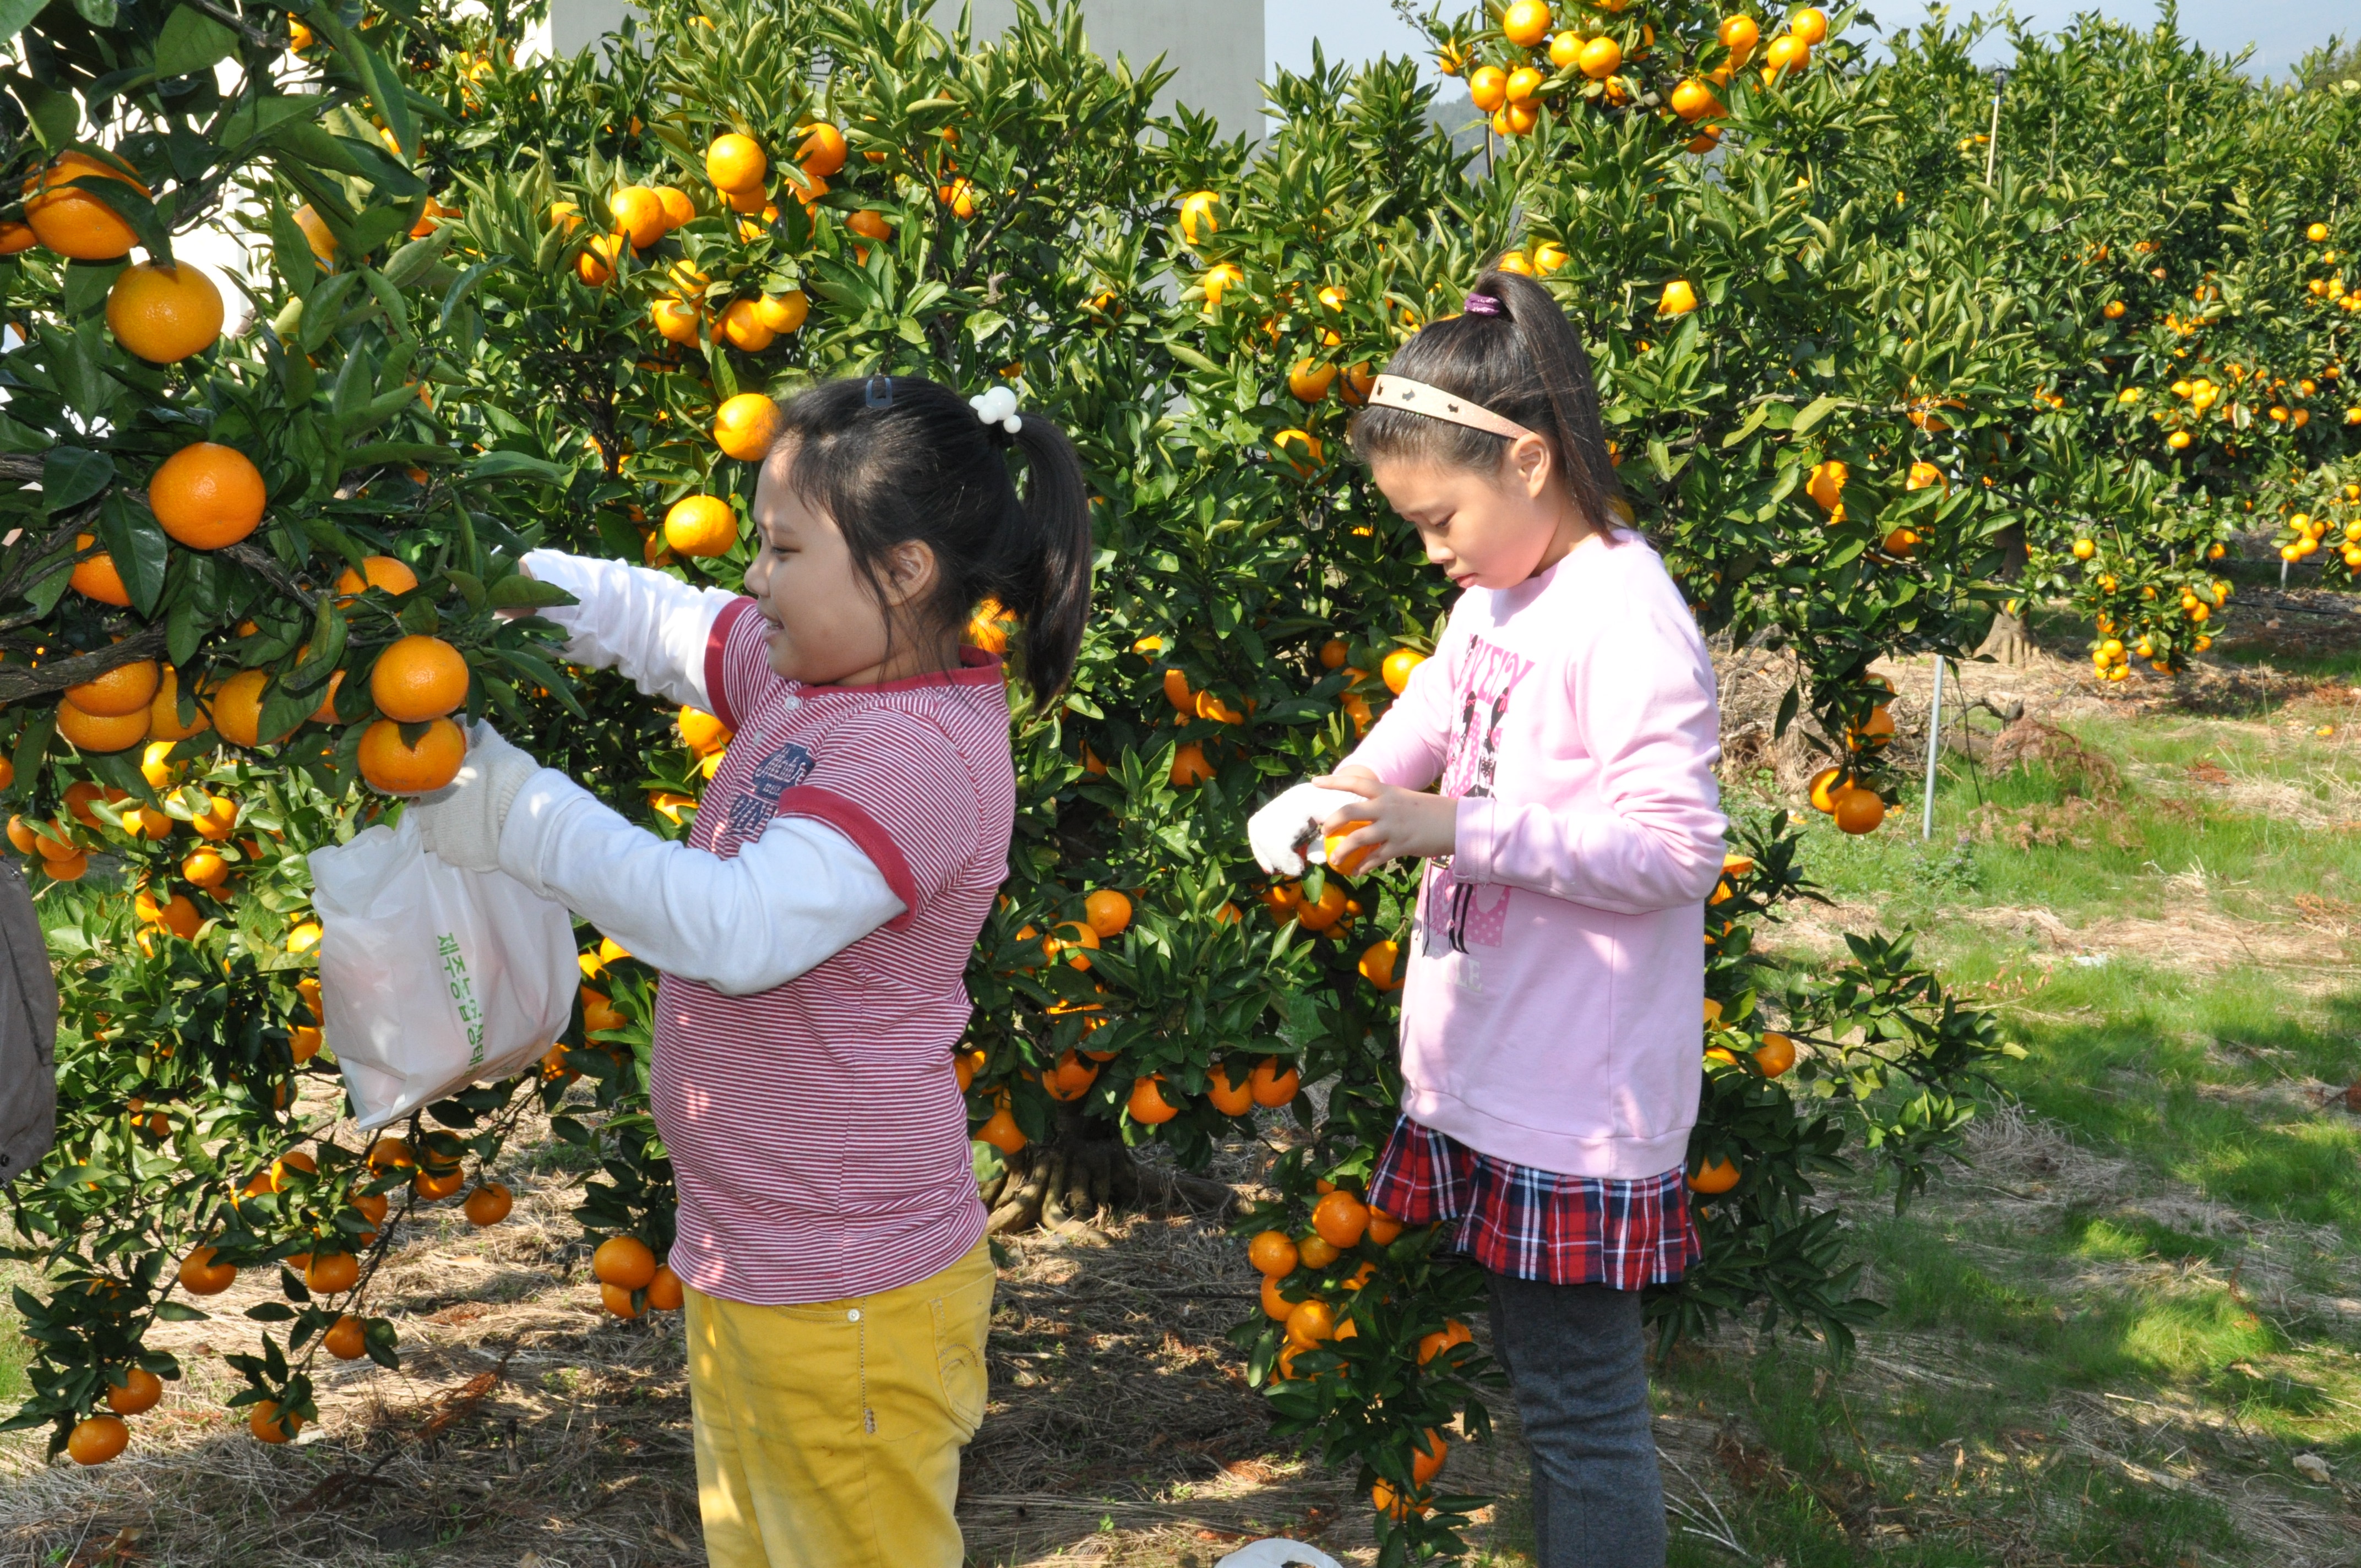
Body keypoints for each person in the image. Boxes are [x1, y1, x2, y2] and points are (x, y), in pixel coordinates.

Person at [409, 374, 1092, 1568]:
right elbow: (644, 616)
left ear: (904, 570)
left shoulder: (918, 755)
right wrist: (466, 578)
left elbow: (732, 927)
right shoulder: (808, 675)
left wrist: (514, 809)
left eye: (781, 549)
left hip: (850, 1292)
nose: (754, 577)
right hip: (754, 1257)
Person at [1246, 269, 1726, 1568]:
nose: (1431, 548)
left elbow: (1677, 849)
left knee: (1581, 1415)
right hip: (1499, 1069)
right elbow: (1426, 726)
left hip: (1574, 1097)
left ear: (1528, 458)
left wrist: (1453, 827)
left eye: (1439, 516)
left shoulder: (1623, 616)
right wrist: (1339, 789)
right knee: (1547, 1396)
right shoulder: (1496, 595)